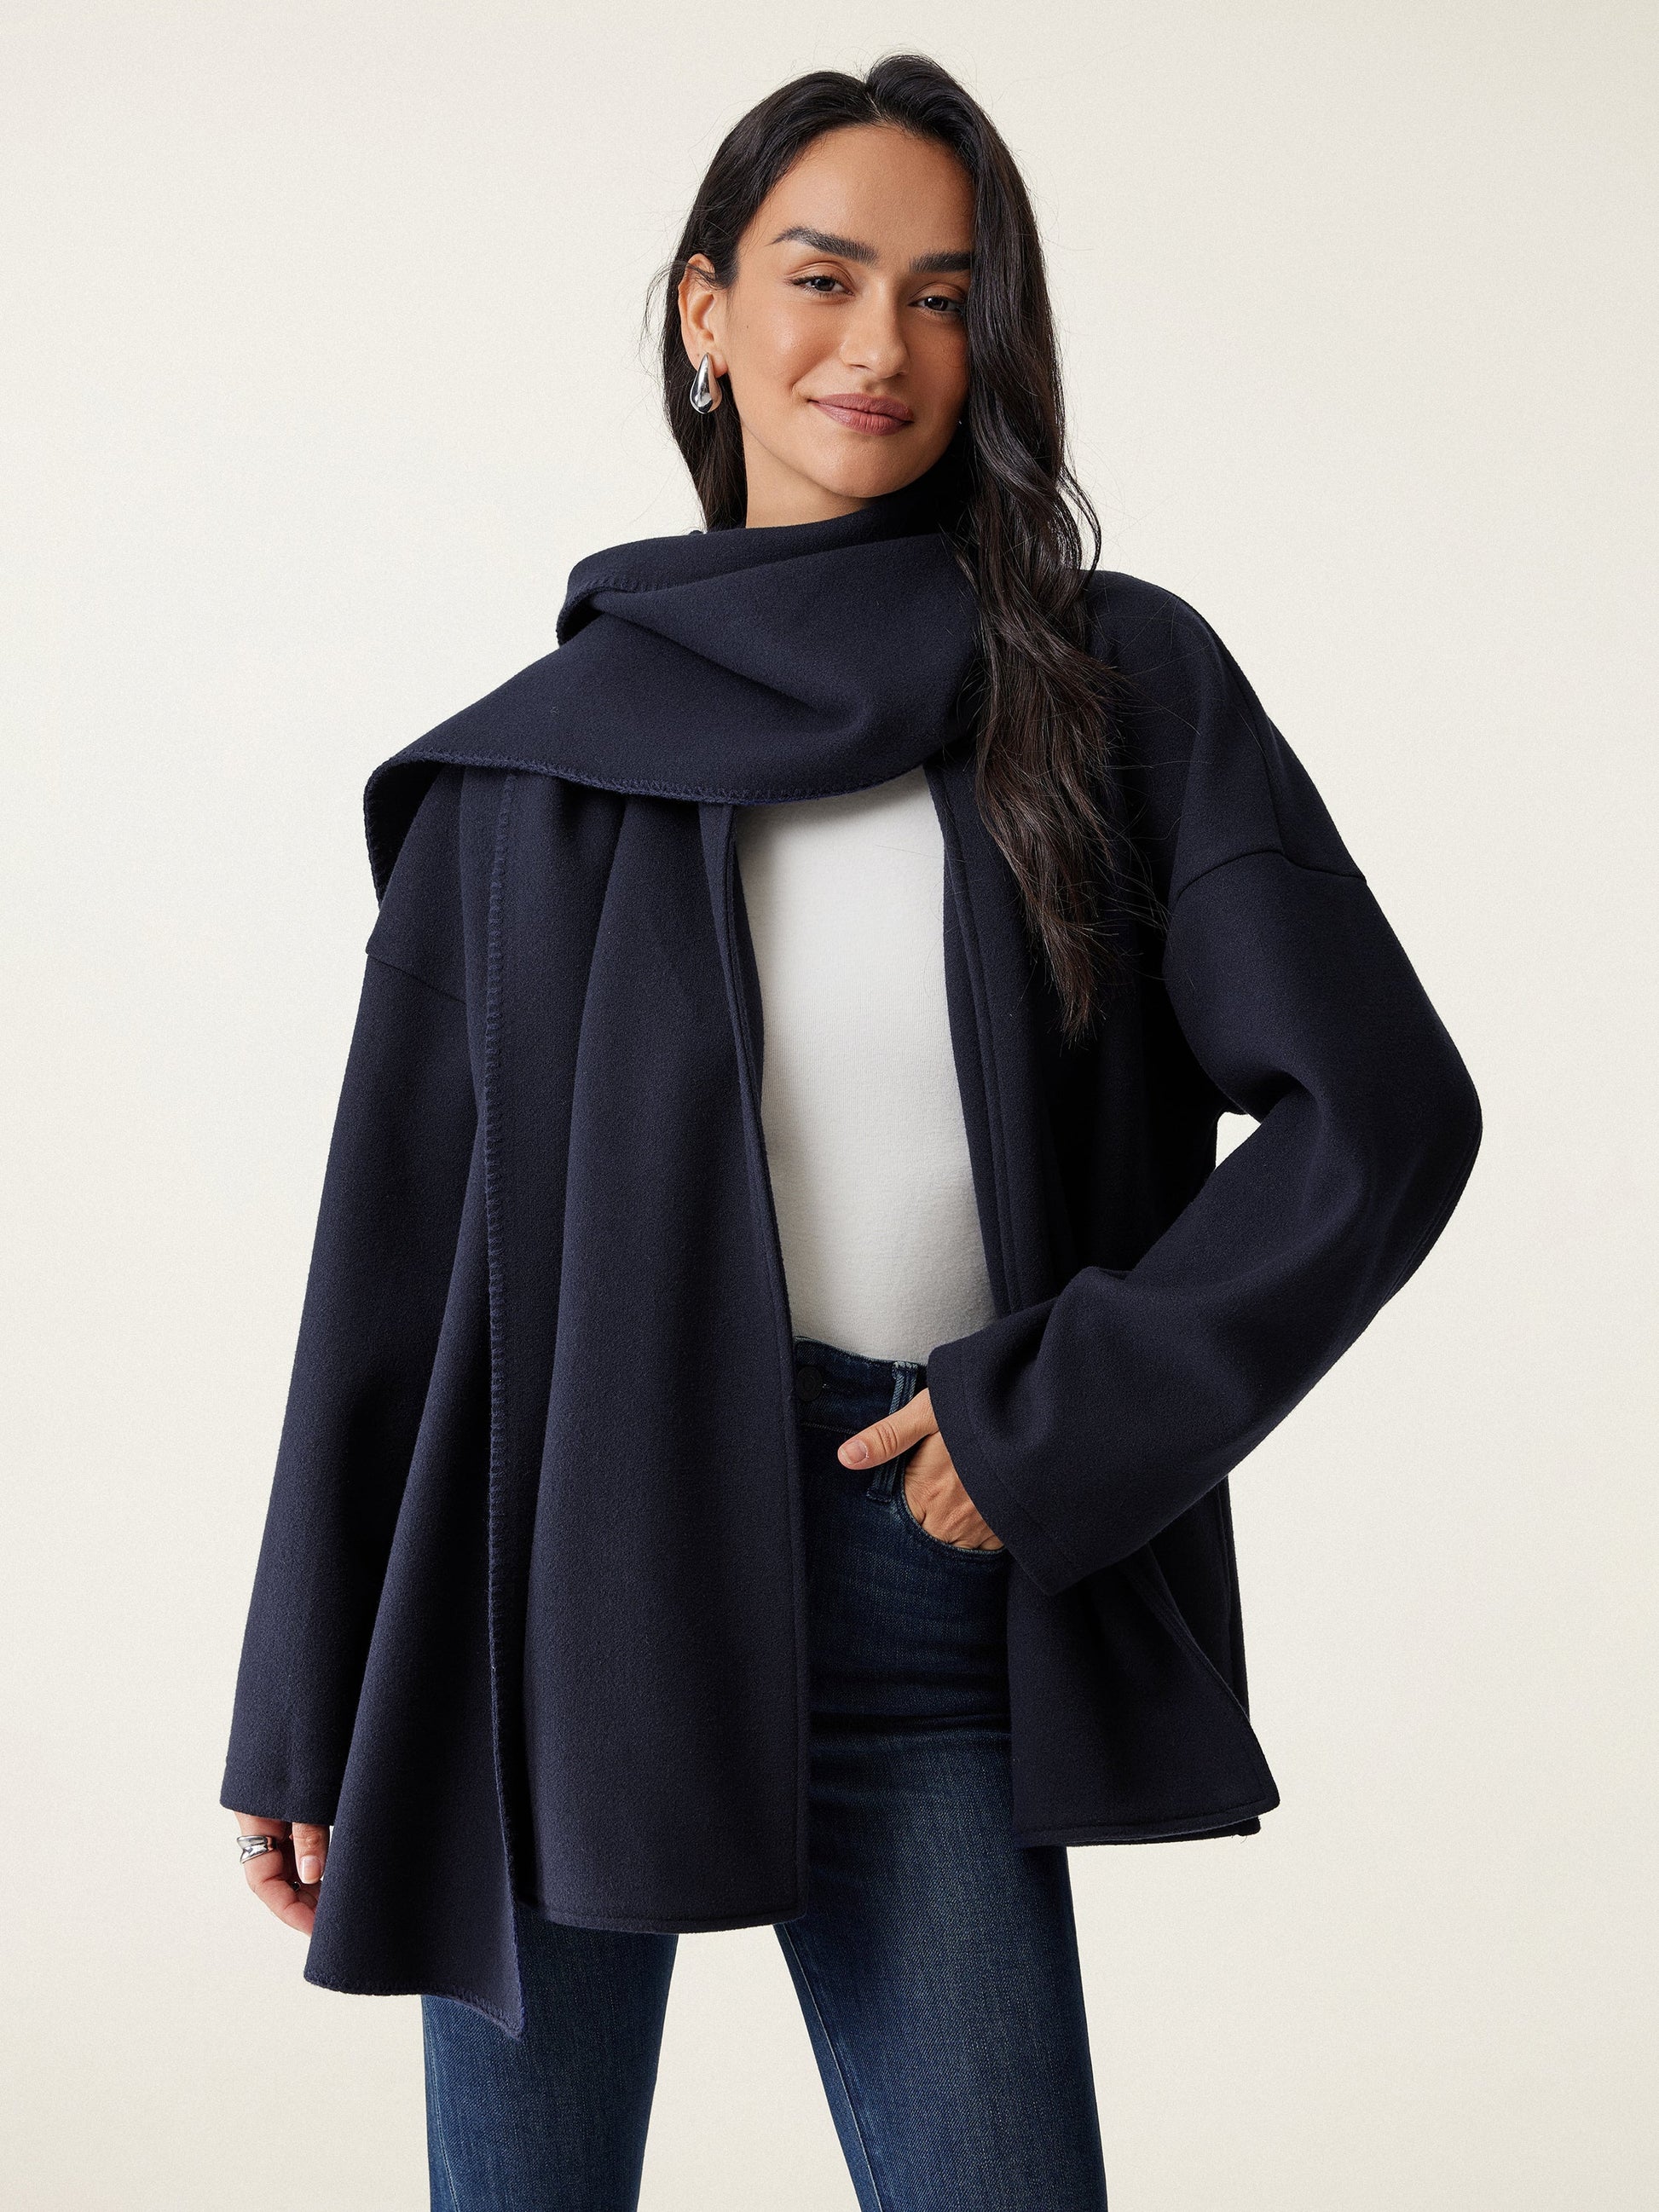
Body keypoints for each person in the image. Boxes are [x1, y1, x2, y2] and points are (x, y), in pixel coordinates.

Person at [223, 52, 1482, 2212]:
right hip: (547, 1581)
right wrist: (308, 1691)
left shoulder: (1105, 683)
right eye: (821, 277)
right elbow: (395, 1262)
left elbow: (1379, 1111)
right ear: (706, 311)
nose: (877, 343)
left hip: (918, 1545)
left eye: (943, 293)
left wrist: (1052, 1420)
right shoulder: (524, 776)